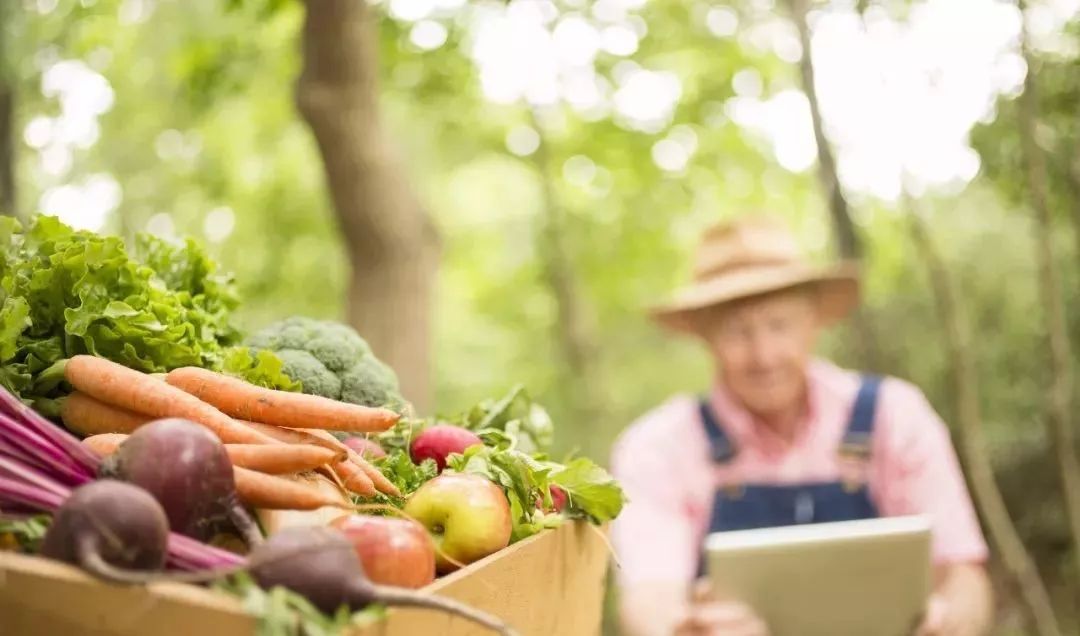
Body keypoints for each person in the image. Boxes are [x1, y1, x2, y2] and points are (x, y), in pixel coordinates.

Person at [610, 216, 993, 636]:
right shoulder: (657, 446)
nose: (764, 355)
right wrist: (681, 630)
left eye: (780, 325)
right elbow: (650, 597)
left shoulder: (895, 415)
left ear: (813, 320)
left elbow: (962, 574)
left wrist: (953, 621)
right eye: (737, 332)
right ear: (705, 336)